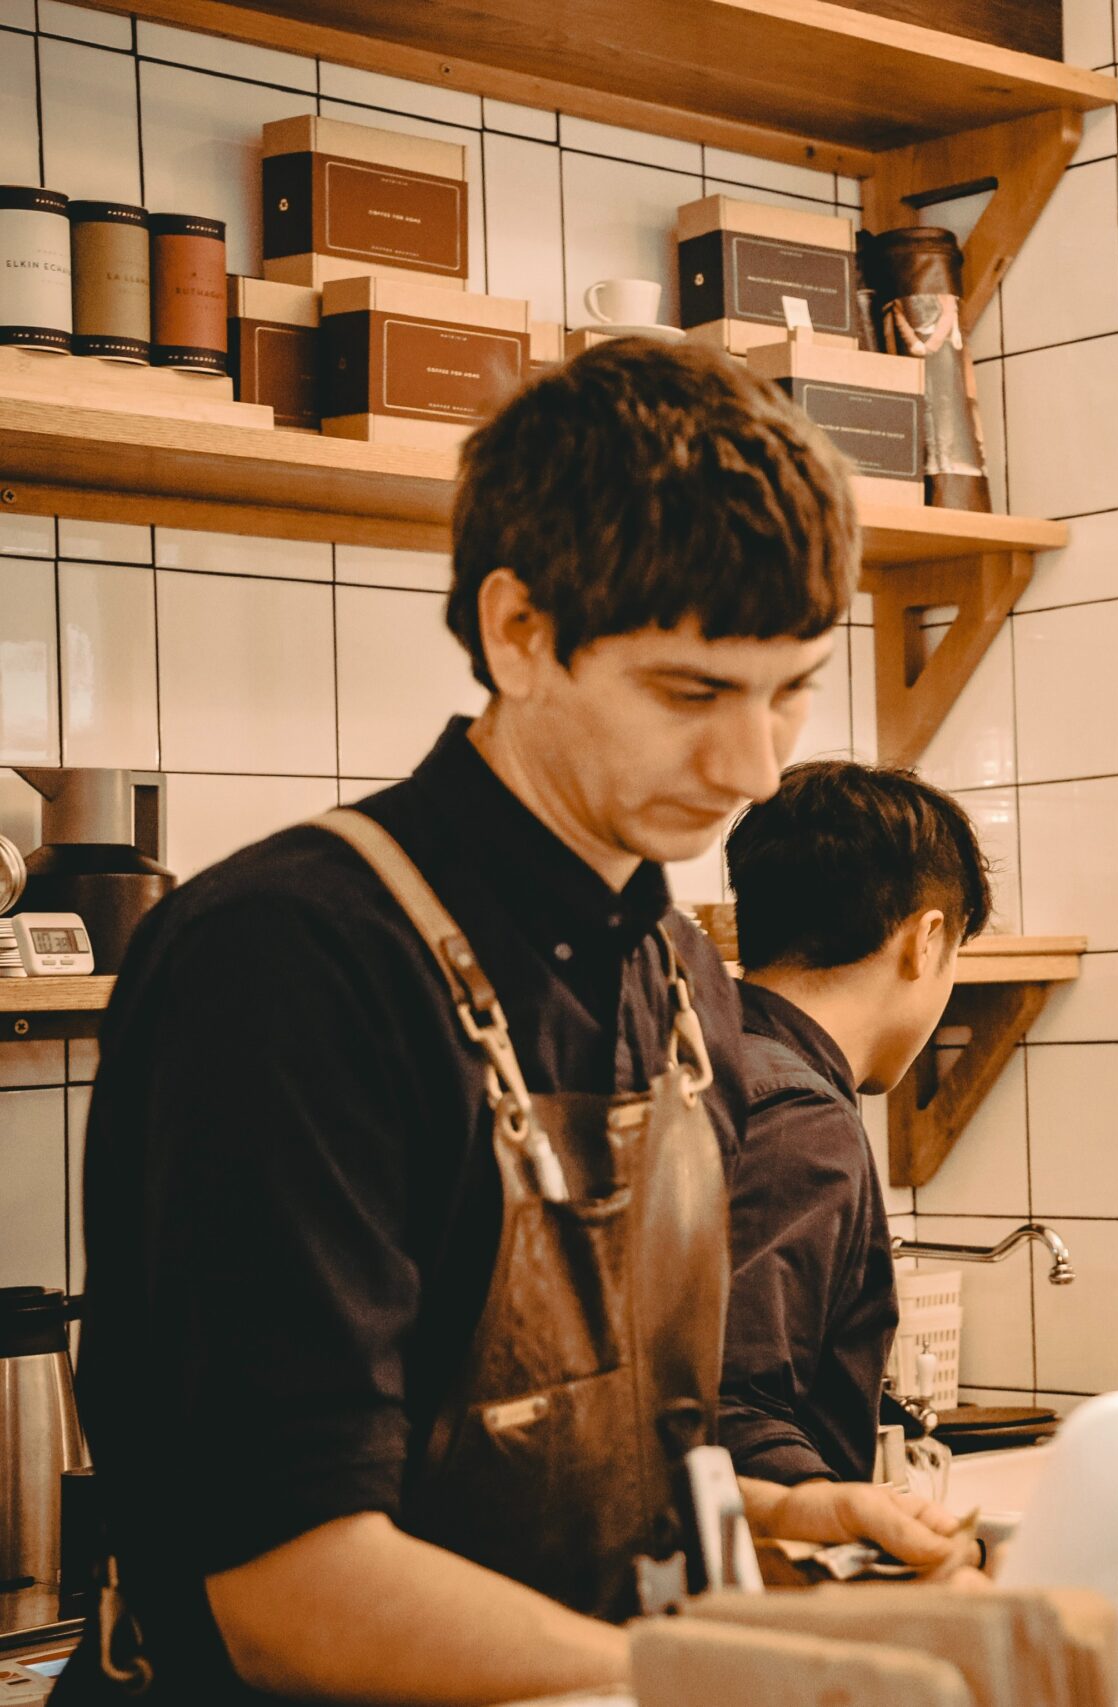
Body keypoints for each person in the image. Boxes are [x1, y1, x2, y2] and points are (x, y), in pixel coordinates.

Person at [62, 342, 907, 1705]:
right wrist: (720, 1680)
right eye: (692, 691)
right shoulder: (290, 959)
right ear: (518, 629)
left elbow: (551, 1488)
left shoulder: (684, 978)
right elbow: (291, 1584)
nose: (755, 767)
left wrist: (778, 1516)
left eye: (792, 687)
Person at [717, 760, 992, 1572]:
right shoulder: (802, 1121)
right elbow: (730, 1405)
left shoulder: (703, 1056)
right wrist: (853, 1525)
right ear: (926, 939)